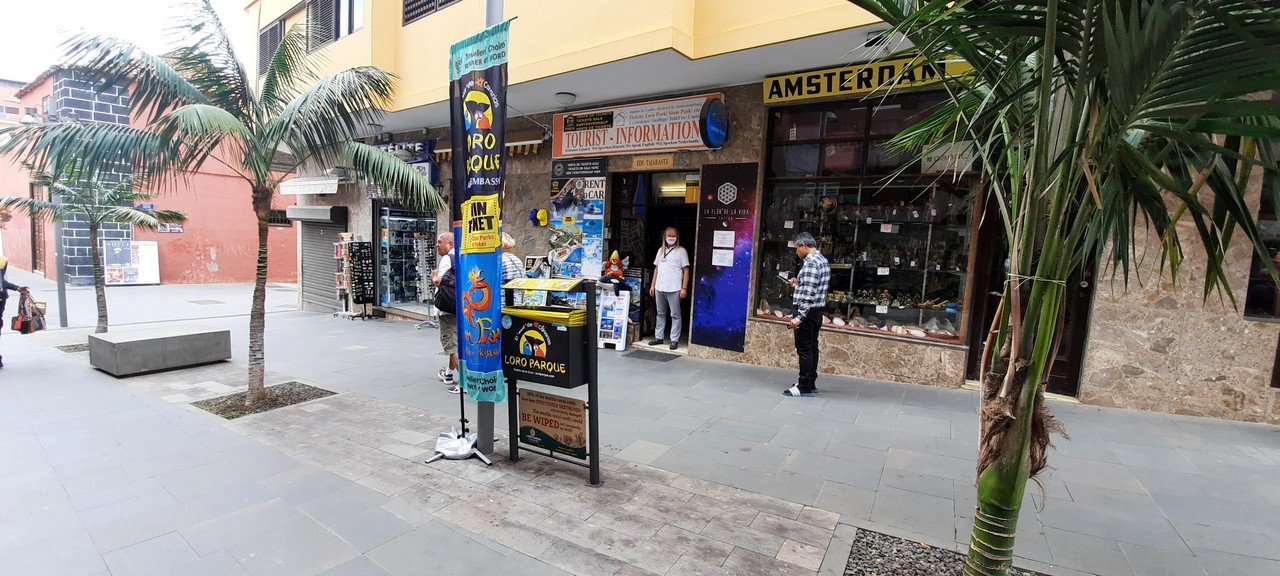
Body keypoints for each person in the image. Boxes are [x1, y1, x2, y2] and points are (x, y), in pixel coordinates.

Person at [784, 232, 830, 397]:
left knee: (804, 349)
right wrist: (798, 285)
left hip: (807, 312)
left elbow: (809, 294)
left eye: (797, 248)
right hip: (816, 311)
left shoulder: (811, 263)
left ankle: (804, 385)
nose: (796, 252)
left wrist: (798, 317)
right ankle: (810, 381)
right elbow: (812, 288)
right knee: (812, 347)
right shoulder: (822, 260)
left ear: (803, 245)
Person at [648, 227, 690, 350]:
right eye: (669, 236)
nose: (671, 238)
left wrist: (684, 288)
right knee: (660, 313)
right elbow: (657, 269)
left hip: (674, 288)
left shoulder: (681, 251)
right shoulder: (660, 250)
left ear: (677, 237)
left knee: (675, 315)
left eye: (673, 236)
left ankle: (674, 340)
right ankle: (659, 337)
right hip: (659, 287)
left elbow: (686, 271)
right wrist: (652, 285)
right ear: (664, 237)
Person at [432, 232, 461, 393]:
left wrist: (434, 277)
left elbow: (440, 282)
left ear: (450, 244)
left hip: (447, 308)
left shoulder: (447, 258)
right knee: (455, 342)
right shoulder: (462, 256)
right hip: (459, 307)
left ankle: (465, 382)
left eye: (440, 242)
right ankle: (449, 374)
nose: (437, 245)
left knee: (451, 345)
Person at [0, 254, 32, 369]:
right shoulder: (2, 260)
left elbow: (2, 282)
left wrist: (16, 287)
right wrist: (16, 287)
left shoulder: (2, 260)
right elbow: (2, 282)